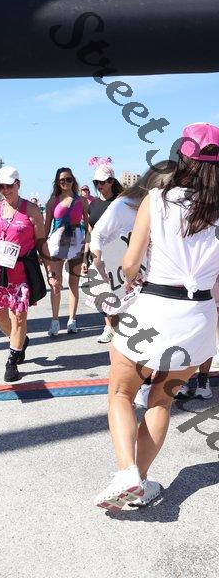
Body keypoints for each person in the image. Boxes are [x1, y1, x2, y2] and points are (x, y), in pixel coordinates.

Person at [94, 122, 219, 511]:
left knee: (121, 392)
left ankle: (126, 473)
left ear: (180, 157)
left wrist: (130, 276)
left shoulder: (157, 199)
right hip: (198, 318)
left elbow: (130, 263)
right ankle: (143, 480)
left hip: (154, 307)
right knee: (161, 400)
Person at [89, 160, 176, 409]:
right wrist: (98, 259)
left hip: (149, 276)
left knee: (146, 331)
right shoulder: (124, 204)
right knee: (124, 333)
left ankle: (140, 384)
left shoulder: (163, 205)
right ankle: (124, 385)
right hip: (118, 273)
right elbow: (98, 233)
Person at [0, 166, 60, 382]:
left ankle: (12, 361)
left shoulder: (31, 210)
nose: (5, 190)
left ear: (18, 184)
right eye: (1, 186)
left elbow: (41, 243)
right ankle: (19, 340)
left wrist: (51, 272)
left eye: (9, 185)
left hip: (22, 273)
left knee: (18, 316)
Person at [44, 168, 89, 336]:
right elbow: (46, 227)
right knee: (55, 284)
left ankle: (72, 320)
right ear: (57, 182)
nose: (65, 182)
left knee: (73, 284)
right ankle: (55, 321)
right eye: (62, 180)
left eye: (68, 179)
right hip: (58, 244)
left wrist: (86, 251)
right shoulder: (52, 201)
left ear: (73, 180)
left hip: (77, 243)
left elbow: (89, 226)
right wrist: (42, 250)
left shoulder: (81, 201)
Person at [85, 157, 123, 343]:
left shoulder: (121, 202)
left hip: (118, 253)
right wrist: (85, 256)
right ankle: (109, 327)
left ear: (111, 181)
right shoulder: (93, 204)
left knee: (118, 295)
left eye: (102, 182)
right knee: (102, 295)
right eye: (96, 182)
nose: (99, 185)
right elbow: (90, 231)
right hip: (98, 255)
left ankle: (118, 328)